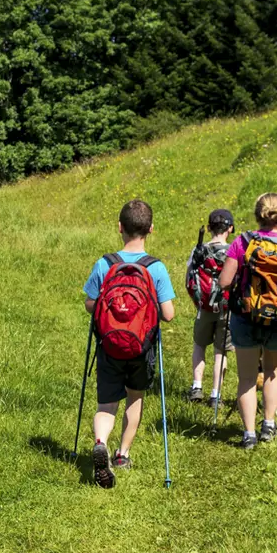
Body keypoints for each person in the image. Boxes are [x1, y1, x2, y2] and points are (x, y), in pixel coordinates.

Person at [83, 198, 178, 487]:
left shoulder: (105, 263)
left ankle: (100, 441)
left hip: (110, 345)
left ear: (119, 227)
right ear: (151, 229)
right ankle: (122, 454)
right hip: (141, 347)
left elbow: (90, 304)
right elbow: (169, 315)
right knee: (134, 397)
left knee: (106, 403)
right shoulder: (156, 268)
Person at [218, 192, 277, 450]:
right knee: (273, 371)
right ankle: (268, 425)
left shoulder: (243, 242)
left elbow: (225, 282)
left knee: (247, 377)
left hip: (245, 316)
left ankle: (248, 433)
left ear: (257, 215)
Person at [184, 208, 236, 410]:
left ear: (209, 228)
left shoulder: (199, 250)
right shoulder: (233, 252)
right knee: (220, 351)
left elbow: (189, 277)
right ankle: (216, 394)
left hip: (203, 307)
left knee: (199, 345)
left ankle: (197, 386)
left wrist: (197, 301)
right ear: (230, 228)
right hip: (226, 308)